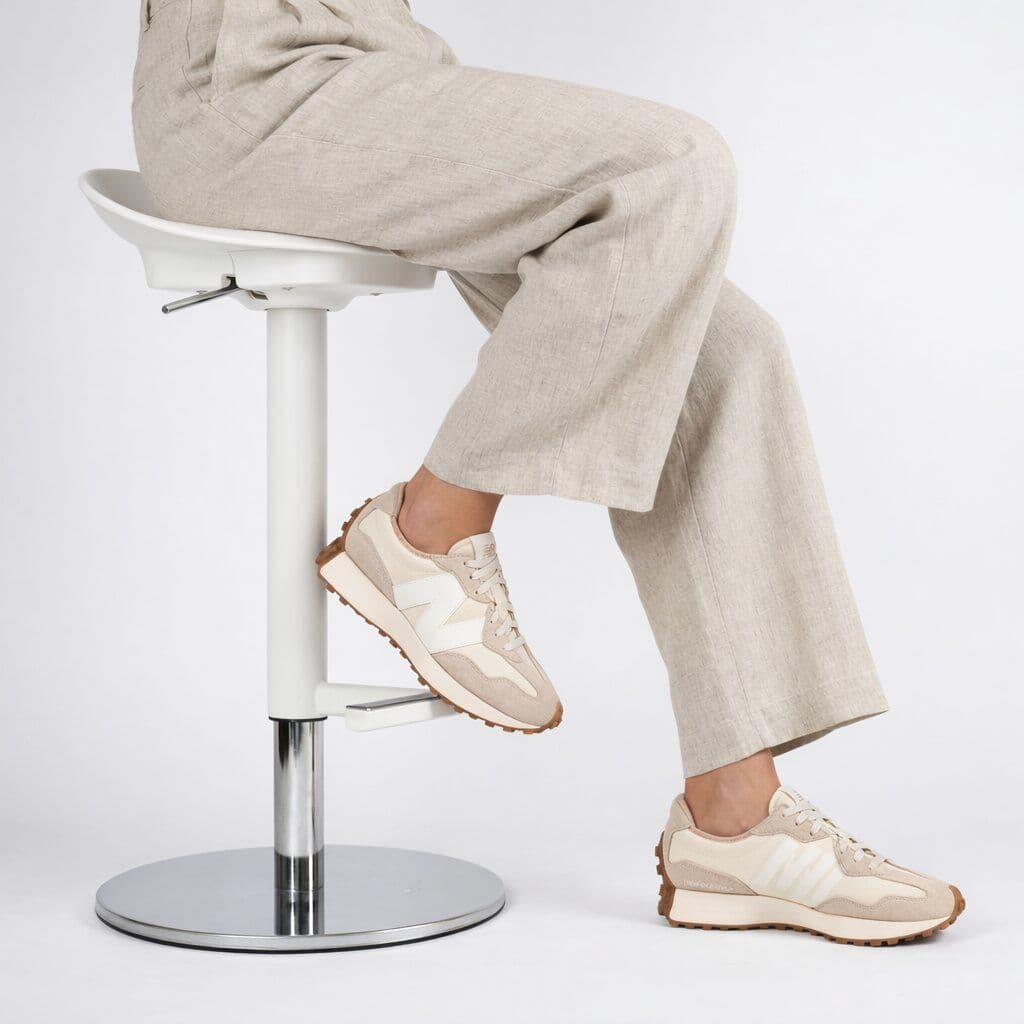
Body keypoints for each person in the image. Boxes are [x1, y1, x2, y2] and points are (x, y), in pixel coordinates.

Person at [132, 0, 963, 944]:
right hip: (250, 89)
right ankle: (429, 528)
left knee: (726, 355)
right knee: (666, 168)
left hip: (384, 67)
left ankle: (734, 819)